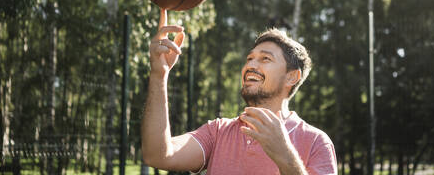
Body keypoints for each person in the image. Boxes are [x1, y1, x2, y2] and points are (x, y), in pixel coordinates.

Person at [141, 9, 337, 175]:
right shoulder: (218, 132)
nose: (250, 65)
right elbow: (158, 154)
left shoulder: (316, 142)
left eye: (265, 59)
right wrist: (160, 75)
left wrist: (285, 156)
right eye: (249, 58)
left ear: (292, 77)